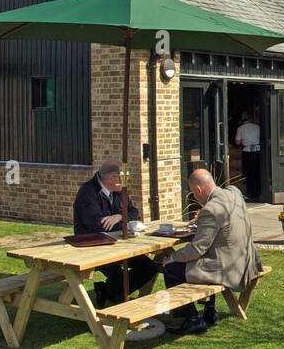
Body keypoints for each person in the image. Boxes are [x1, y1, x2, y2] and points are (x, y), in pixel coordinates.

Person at [160, 168, 261, 336]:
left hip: (229, 269)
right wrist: (201, 221)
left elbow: (197, 248)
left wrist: (172, 257)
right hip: (245, 259)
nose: (194, 196)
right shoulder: (233, 193)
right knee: (203, 260)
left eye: (193, 193)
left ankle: (192, 319)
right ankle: (209, 310)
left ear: (198, 190)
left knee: (172, 269)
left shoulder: (210, 210)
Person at [72, 157, 158, 306]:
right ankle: (114, 296)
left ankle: (107, 291)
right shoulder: (87, 193)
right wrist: (122, 221)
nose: (127, 181)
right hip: (93, 247)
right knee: (118, 276)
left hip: (117, 245)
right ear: (112, 178)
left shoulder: (119, 191)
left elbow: (134, 215)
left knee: (148, 266)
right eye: (125, 177)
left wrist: (119, 217)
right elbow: (98, 226)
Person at [234, 106, 261, 200]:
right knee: (257, 172)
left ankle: (250, 193)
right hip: (258, 150)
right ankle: (258, 191)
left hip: (247, 151)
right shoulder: (257, 127)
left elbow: (237, 142)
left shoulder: (240, 129)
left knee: (249, 173)